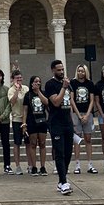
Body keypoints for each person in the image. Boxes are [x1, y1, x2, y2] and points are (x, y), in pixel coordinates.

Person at [44, 59, 75, 195]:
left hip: (68, 122)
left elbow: (70, 102)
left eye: (62, 69)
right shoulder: (50, 84)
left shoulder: (68, 84)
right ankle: (63, 182)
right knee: (60, 152)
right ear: (53, 70)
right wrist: (63, 87)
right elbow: (56, 102)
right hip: (56, 123)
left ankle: (62, 180)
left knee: (68, 153)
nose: (61, 72)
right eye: (59, 70)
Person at [71, 64, 97, 174]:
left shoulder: (90, 83)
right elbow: (71, 100)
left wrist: (87, 115)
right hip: (76, 113)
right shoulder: (73, 83)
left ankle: (90, 164)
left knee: (88, 138)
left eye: (82, 71)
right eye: (79, 71)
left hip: (88, 113)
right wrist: (78, 114)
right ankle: (77, 164)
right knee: (77, 139)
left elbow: (92, 100)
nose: (80, 73)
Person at [23, 74, 49, 174]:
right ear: (31, 83)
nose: (38, 83)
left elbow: (47, 103)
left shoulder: (43, 93)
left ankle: (43, 166)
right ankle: (34, 166)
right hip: (32, 121)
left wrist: (38, 92)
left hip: (42, 121)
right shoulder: (28, 95)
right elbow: (25, 110)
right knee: (32, 144)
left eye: (39, 81)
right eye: (35, 81)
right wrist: (24, 124)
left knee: (42, 144)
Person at [7, 68, 28, 175]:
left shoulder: (26, 88)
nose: (19, 80)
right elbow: (12, 101)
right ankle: (18, 166)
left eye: (20, 78)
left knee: (29, 143)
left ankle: (30, 164)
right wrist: (16, 90)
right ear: (13, 80)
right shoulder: (11, 90)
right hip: (16, 119)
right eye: (17, 78)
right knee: (17, 143)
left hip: (27, 119)